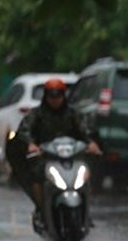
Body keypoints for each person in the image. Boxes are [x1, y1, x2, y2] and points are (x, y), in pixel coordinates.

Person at [13, 78, 101, 231]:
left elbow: (84, 131)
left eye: (58, 96)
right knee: (36, 175)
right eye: (52, 97)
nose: (55, 100)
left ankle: (86, 211)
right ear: (46, 97)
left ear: (63, 96)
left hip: (72, 158)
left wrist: (90, 143)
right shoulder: (37, 114)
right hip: (46, 158)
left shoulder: (73, 114)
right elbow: (24, 130)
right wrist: (31, 144)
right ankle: (41, 210)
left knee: (86, 175)